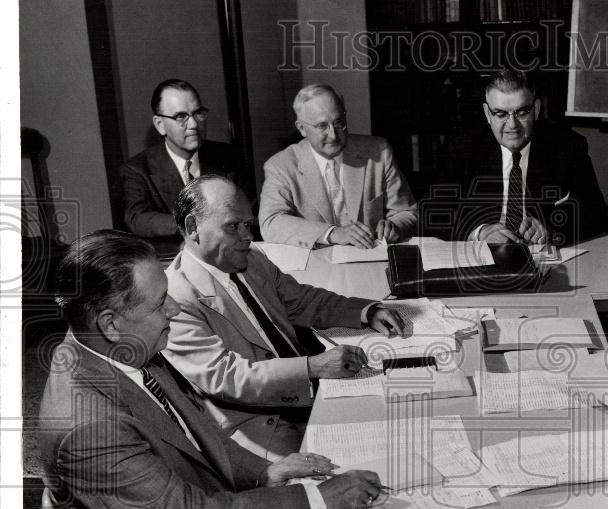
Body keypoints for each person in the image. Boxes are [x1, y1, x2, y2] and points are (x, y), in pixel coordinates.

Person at [38, 230, 385, 509]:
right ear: (111, 322)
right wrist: (317, 498)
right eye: (159, 301)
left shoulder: (124, 349)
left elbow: (195, 432)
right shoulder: (89, 427)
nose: (175, 307)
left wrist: (264, 471)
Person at [163, 176, 405, 458]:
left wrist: (366, 311)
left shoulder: (251, 258)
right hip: (263, 425)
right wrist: (312, 367)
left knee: (402, 424)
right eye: (233, 226)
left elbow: (303, 300)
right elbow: (229, 378)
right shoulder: (175, 297)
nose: (248, 236)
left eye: (247, 225)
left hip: (309, 392)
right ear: (193, 227)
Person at [426, 68, 607, 245]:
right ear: (487, 114)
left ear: (536, 109)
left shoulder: (568, 146)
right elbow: (434, 211)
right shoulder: (464, 146)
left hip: (545, 257)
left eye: (522, 112)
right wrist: (479, 232)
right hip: (483, 258)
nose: (512, 125)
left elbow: (594, 211)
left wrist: (550, 228)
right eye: (500, 114)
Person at [258, 84, 417, 249]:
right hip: (317, 264)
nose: (333, 135)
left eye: (338, 122)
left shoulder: (379, 151)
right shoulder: (280, 165)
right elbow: (271, 222)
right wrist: (333, 233)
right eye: (322, 126)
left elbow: (406, 212)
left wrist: (395, 226)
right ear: (302, 128)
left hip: (370, 257)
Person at [121, 78, 250, 238]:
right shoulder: (137, 169)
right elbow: (137, 219)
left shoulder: (229, 158)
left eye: (198, 113)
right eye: (181, 116)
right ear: (160, 124)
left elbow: (248, 212)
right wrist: (195, 224)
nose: (194, 124)